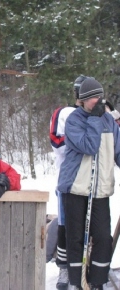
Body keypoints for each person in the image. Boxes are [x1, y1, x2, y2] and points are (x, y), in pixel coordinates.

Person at [57, 78, 120, 290]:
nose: (97, 101)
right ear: (82, 101)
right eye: (92, 97)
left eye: (99, 96)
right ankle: (77, 280)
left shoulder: (109, 121)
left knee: (102, 237)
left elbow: (118, 151)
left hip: (100, 190)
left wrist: (102, 118)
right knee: (76, 238)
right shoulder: (74, 120)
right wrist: (94, 119)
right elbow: (89, 146)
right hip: (76, 188)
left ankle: (98, 280)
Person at [49, 75, 88, 290]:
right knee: (66, 224)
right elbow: (56, 141)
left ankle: (86, 267)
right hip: (69, 178)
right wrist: (81, 140)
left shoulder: (100, 114)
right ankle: (64, 267)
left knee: (89, 226)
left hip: (93, 180)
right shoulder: (64, 113)